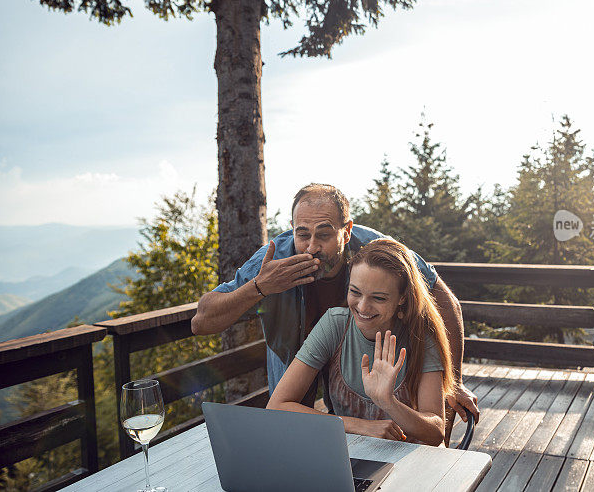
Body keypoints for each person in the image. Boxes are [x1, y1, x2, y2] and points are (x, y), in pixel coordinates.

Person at [191, 183, 478, 423]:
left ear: (347, 231)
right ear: (291, 228)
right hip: (294, 362)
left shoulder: (376, 250)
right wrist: (259, 287)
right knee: (289, 433)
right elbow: (201, 322)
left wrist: (453, 382)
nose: (312, 247)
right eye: (302, 234)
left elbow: (445, 301)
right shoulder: (273, 259)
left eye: (324, 235)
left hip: (363, 363)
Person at [267, 238, 452, 446]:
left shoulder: (420, 335)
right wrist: (359, 426)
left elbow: (436, 433)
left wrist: (389, 403)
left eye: (379, 298)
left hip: (412, 462)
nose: (363, 307)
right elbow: (277, 406)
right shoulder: (335, 324)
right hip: (350, 458)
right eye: (355, 292)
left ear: (402, 297)